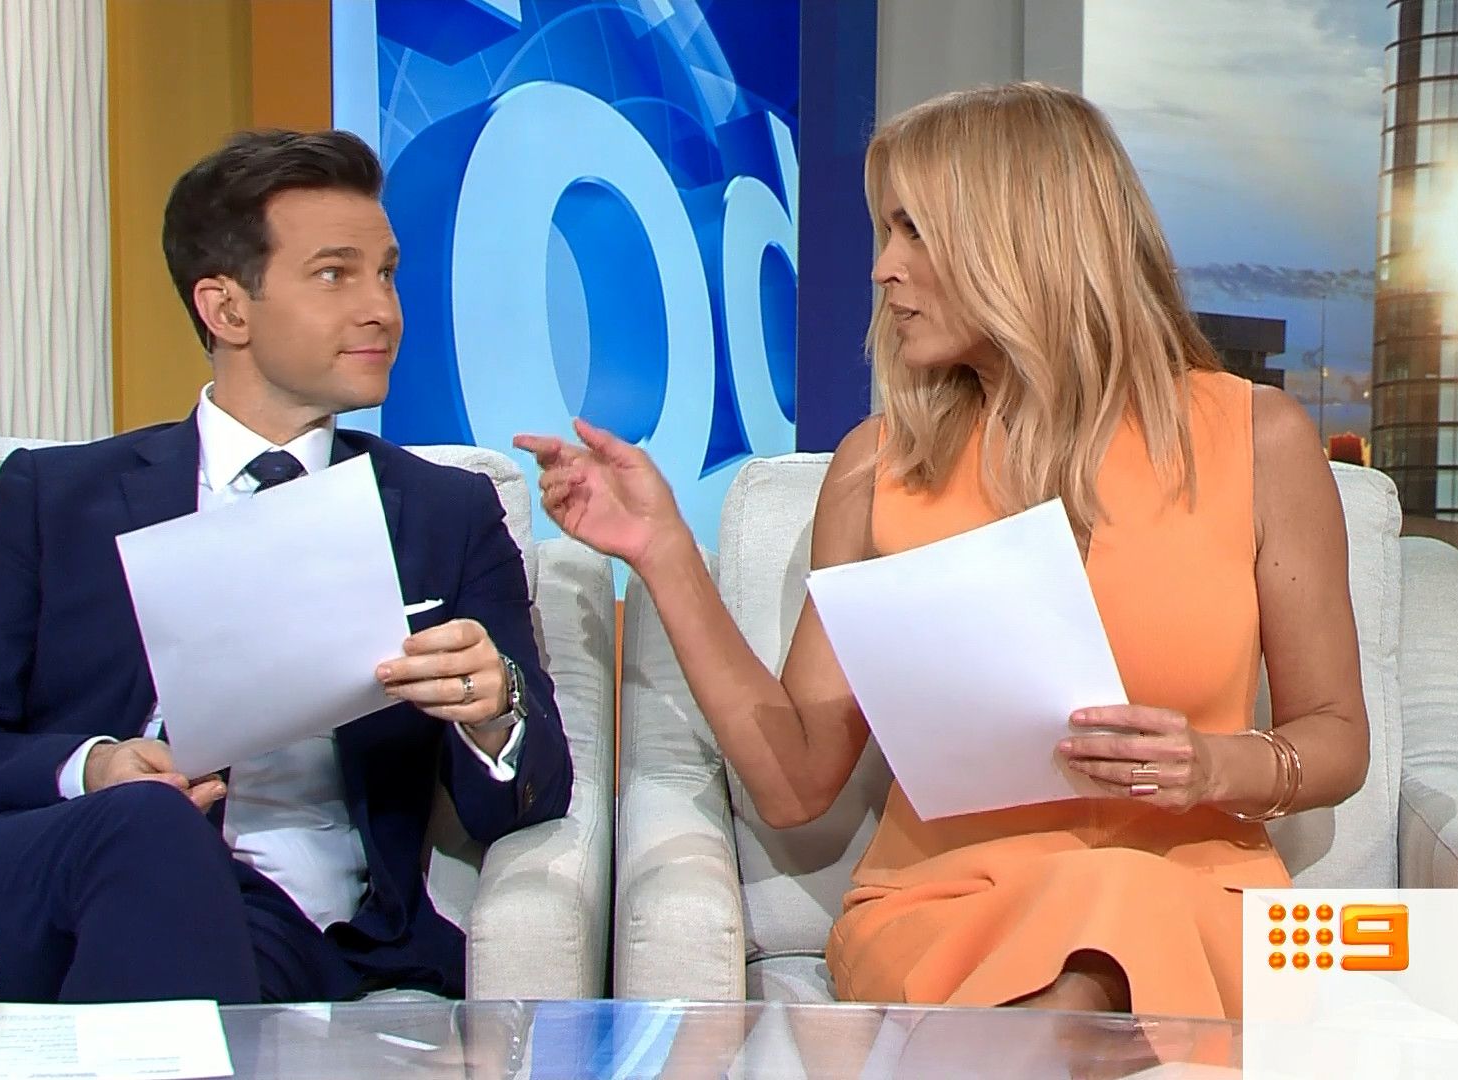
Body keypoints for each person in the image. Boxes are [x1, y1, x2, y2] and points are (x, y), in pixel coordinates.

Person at [518, 83, 1368, 1020]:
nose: (883, 269)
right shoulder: (877, 467)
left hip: (1196, 895)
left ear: (1024, 238)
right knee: (1085, 976)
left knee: (1116, 926)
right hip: (952, 905)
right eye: (885, 232)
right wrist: (665, 549)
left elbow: (1334, 734)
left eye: (914, 231)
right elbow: (796, 783)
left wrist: (1214, 767)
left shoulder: (1259, 440)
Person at [0, 129, 571, 1004]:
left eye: (386, 275)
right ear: (226, 309)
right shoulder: (56, 500)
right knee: (147, 824)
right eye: (335, 275)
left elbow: (530, 801)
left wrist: (495, 709)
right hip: (61, 882)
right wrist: (94, 767)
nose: (382, 310)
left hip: (303, 934)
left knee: (206, 913)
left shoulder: (445, 514)